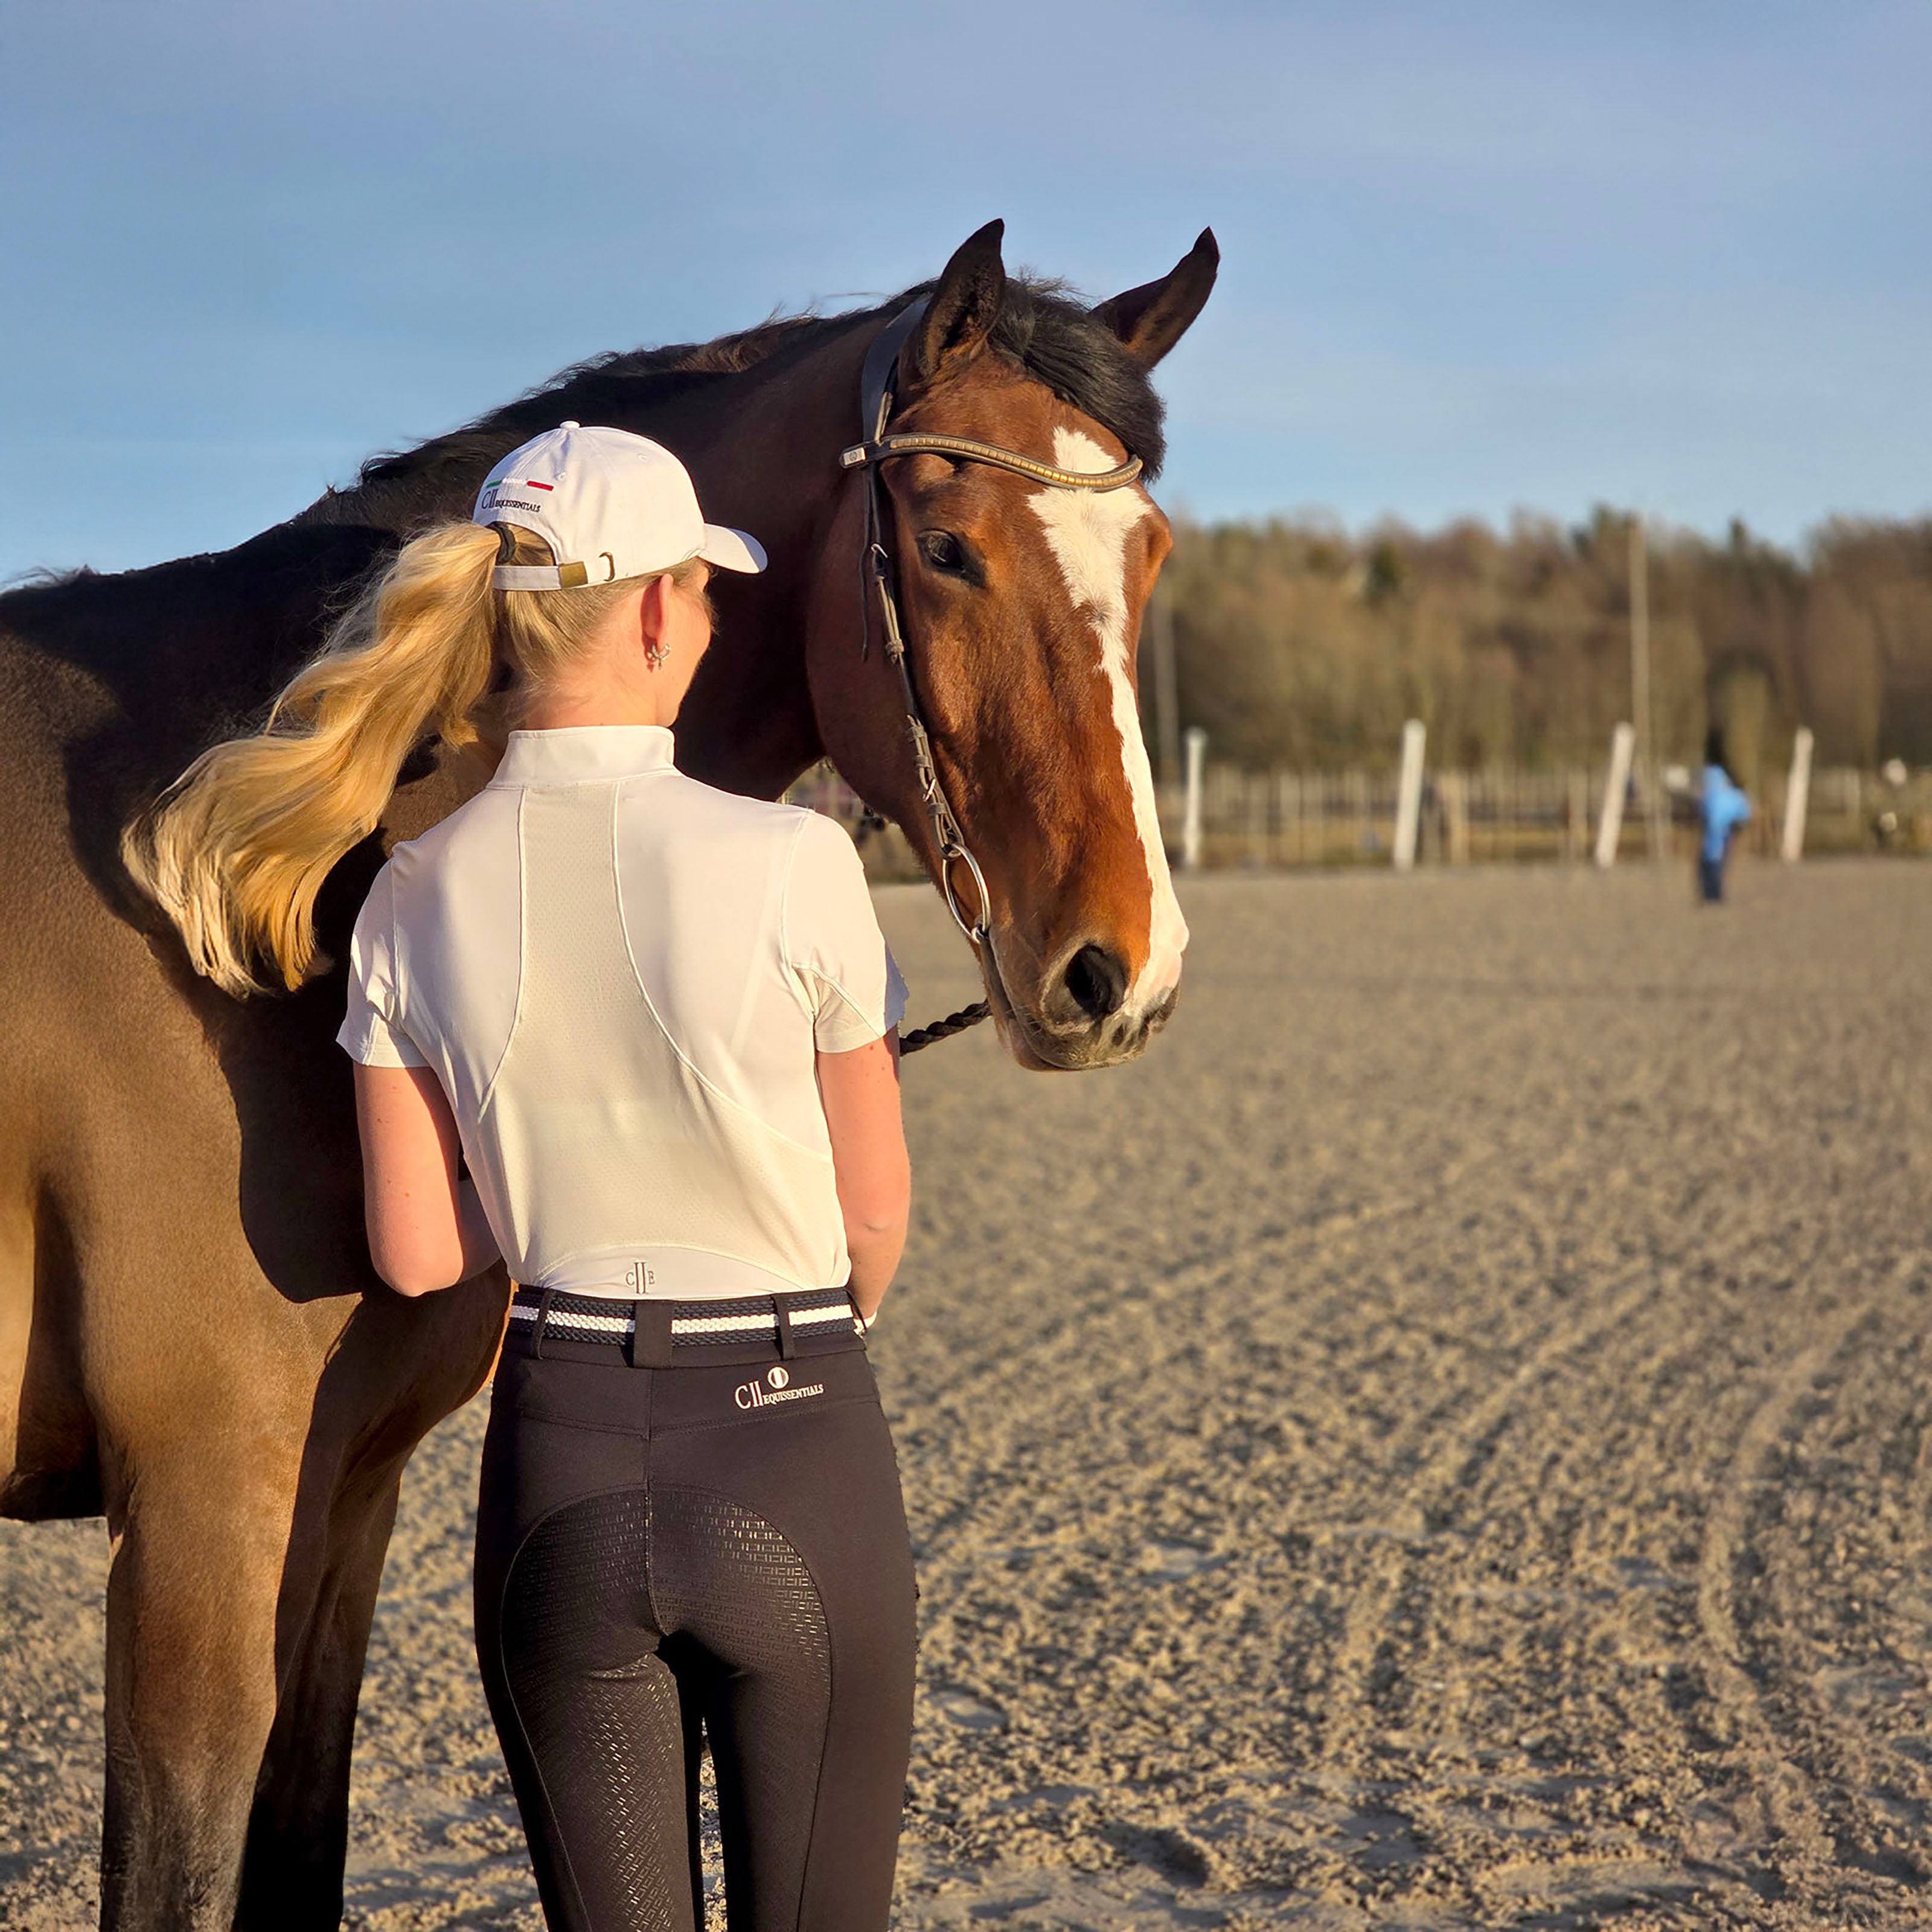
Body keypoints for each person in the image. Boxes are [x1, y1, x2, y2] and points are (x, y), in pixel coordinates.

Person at [128, 423, 918, 1932]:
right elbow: (871, 1221)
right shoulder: (797, 860)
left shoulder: (407, 902)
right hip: (793, 1446)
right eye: (700, 587)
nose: (705, 616)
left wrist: (549, 1162)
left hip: (559, 1482)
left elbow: (421, 1255)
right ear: (646, 613)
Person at [1697, 728, 1752, 904]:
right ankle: (1715, 894)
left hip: (1718, 823)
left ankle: (1712, 895)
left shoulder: (1710, 777)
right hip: (1728, 821)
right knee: (1718, 858)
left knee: (1711, 859)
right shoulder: (1727, 779)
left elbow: (1705, 802)